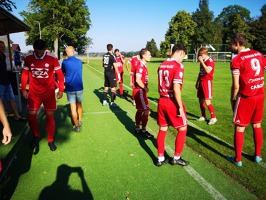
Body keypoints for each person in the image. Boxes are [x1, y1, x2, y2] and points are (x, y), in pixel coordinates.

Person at [226, 33, 266, 167]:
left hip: (246, 97)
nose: (230, 46)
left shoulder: (237, 60)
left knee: (239, 128)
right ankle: (257, 156)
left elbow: (236, 85)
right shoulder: (259, 54)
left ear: (236, 43)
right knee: (257, 125)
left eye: (231, 44)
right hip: (260, 95)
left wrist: (232, 98)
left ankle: (237, 159)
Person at [21, 39, 64, 151]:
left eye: (41, 52)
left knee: (50, 116)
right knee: (31, 116)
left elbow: (60, 75)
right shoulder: (28, 58)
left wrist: (61, 89)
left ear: (45, 49)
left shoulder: (52, 58)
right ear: (33, 49)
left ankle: (50, 140)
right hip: (34, 93)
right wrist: (23, 89)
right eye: (37, 52)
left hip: (48, 92)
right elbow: (25, 74)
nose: (39, 54)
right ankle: (36, 135)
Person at [156, 43, 189, 167]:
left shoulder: (161, 65)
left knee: (163, 129)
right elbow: (176, 88)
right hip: (171, 102)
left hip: (161, 101)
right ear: (180, 52)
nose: (183, 58)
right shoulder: (178, 66)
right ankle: (176, 157)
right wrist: (180, 106)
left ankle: (160, 158)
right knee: (183, 128)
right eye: (183, 56)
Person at [0, 40, 25, 121]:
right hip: (0, 83)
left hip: (6, 82)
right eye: (1, 47)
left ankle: (17, 116)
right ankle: (3, 119)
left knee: (12, 98)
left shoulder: (3, 56)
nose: (3, 48)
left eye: (3, 47)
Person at [62, 46, 83, 133]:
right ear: (74, 51)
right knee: (79, 104)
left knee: (72, 107)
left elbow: (63, 72)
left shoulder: (65, 62)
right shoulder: (79, 61)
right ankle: (80, 119)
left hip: (69, 87)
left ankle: (77, 126)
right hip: (79, 86)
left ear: (66, 53)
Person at [133, 48, 153, 139]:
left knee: (140, 110)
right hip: (140, 91)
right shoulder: (140, 65)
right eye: (149, 54)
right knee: (146, 111)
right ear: (143, 56)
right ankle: (143, 130)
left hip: (139, 91)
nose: (150, 56)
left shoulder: (142, 65)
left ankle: (137, 127)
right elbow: (137, 79)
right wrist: (144, 88)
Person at [195, 47, 217, 125]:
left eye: (201, 55)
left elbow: (208, 70)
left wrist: (202, 62)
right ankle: (203, 116)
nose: (200, 57)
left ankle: (213, 117)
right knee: (200, 100)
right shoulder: (202, 61)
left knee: (207, 101)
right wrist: (197, 82)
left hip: (207, 82)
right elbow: (200, 72)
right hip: (201, 82)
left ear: (205, 54)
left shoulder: (210, 61)